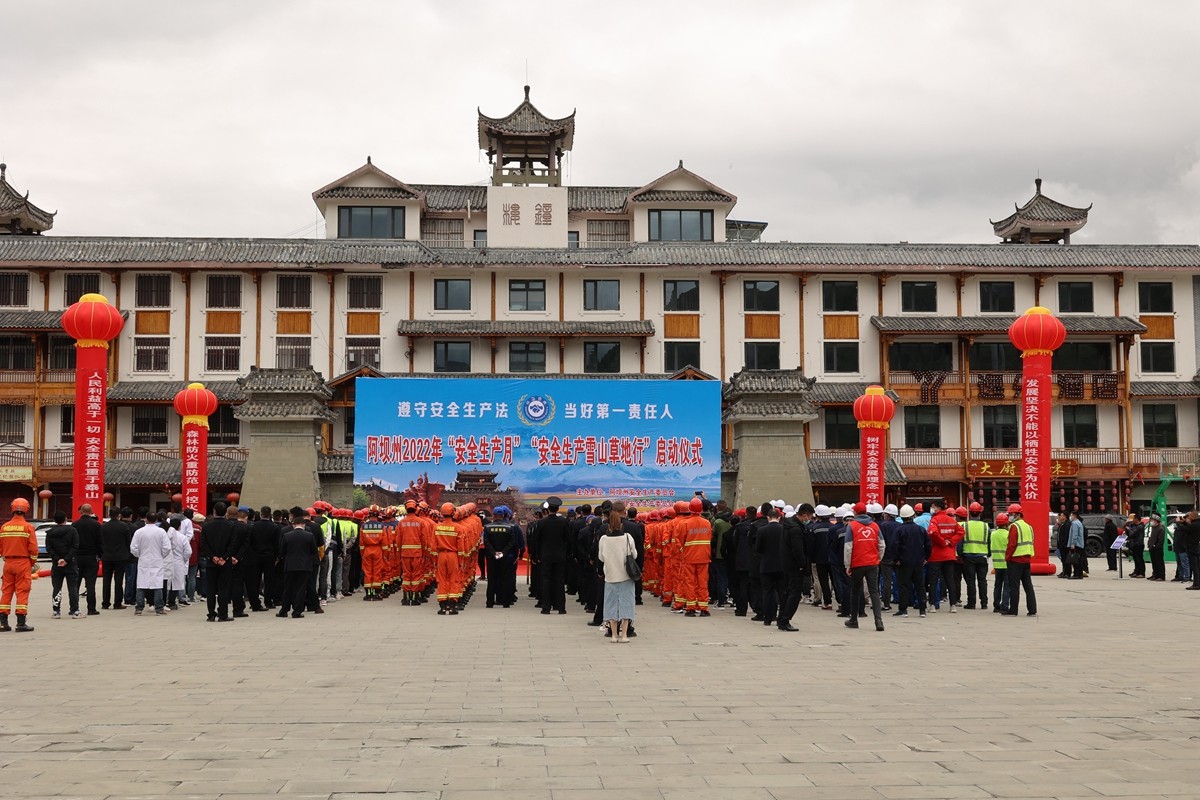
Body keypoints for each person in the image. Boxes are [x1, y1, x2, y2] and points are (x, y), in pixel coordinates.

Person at [596, 501, 637, 642]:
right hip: (626, 576)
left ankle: (613, 635)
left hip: (610, 576)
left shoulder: (603, 539)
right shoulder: (627, 537)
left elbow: (600, 557)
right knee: (626, 604)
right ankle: (624, 635)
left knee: (611, 604)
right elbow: (635, 555)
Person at [844, 502, 885, 631]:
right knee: (874, 592)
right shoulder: (875, 526)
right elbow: (882, 545)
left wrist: (847, 564)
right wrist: (878, 558)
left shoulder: (852, 526)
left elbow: (848, 547)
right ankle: (878, 621)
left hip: (857, 563)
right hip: (872, 563)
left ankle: (853, 619)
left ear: (855, 513)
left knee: (855, 591)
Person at [0, 497, 39, 632]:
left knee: (6, 591)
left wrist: (6, 558)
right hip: (23, 562)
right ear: (26, 509)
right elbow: (33, 549)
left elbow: (0, 548)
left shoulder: (4, 527)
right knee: (22, 591)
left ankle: (3, 623)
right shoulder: (28, 527)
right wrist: (31, 563)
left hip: (8, 563)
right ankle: (21, 623)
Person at [199, 501, 238, 621]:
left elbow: (203, 545)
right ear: (225, 512)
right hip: (225, 563)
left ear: (214, 512)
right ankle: (223, 614)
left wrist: (212, 557)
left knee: (211, 589)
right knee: (223, 589)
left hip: (211, 562)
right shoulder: (231, 526)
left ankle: (211, 614)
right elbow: (233, 544)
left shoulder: (206, 526)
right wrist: (225, 557)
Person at [277, 510, 318, 618]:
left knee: (287, 588)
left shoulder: (287, 535)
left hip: (289, 565)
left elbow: (282, 551)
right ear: (303, 524)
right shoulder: (309, 535)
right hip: (304, 566)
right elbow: (314, 551)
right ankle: (297, 611)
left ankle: (284, 610)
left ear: (293, 524)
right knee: (301, 588)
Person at [891, 504, 928, 618]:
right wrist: (926, 558)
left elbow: (894, 546)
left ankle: (903, 610)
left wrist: (896, 559)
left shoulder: (899, 530)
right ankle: (922, 610)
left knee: (903, 586)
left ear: (901, 517)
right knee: (920, 586)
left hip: (903, 562)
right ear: (912, 515)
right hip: (918, 562)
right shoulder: (921, 529)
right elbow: (928, 545)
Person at [129, 515, 171, 615]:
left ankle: (139, 608)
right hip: (157, 560)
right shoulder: (161, 532)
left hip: (143, 560)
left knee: (141, 584)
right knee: (157, 585)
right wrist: (161, 555)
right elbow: (167, 547)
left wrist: (140, 555)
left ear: (146, 519)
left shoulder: (139, 532)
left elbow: (133, 548)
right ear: (156, 520)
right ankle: (159, 608)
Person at [755, 503, 787, 627]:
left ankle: (768, 618)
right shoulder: (784, 529)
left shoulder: (761, 530)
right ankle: (782, 616)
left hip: (766, 565)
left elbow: (758, 548)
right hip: (781, 565)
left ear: (768, 518)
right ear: (779, 517)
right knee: (782, 592)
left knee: (767, 592)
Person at [926, 500, 962, 612]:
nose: (932, 509)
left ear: (938, 507)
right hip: (949, 554)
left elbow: (932, 533)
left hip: (936, 554)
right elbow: (961, 532)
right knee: (950, 580)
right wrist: (950, 542)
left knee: (933, 580)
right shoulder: (951, 520)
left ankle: (932, 605)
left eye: (933, 507)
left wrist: (942, 542)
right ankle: (953, 605)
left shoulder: (935, 520)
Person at [537, 496, 571, 615]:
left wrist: (538, 554)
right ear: (557, 509)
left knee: (546, 581)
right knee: (559, 581)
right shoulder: (564, 522)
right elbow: (568, 539)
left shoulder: (542, 522)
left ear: (548, 509)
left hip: (546, 555)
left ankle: (546, 607)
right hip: (560, 555)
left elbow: (538, 540)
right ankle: (561, 607)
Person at [1002, 504, 1037, 617]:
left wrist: (1007, 557)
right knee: (1028, 586)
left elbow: (1011, 545)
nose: (1009, 517)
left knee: (1014, 586)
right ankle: (1032, 610)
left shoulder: (1014, 527)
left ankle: (1013, 610)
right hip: (1026, 560)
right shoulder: (1029, 526)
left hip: (1015, 560)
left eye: (1011, 514)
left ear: (1017, 515)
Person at [45, 511, 81, 619]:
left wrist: (57, 559)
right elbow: (75, 546)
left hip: (56, 564)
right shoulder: (72, 531)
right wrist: (66, 559)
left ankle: (56, 611)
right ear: (65, 518)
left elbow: (49, 548)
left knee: (57, 588)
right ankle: (75, 611)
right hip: (70, 563)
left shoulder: (50, 533)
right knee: (72, 588)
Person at [73, 503, 103, 616]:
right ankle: (91, 608)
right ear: (91, 512)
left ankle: (74, 607)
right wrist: (100, 555)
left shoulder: (75, 525)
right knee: (90, 584)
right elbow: (100, 542)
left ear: (80, 511)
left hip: (78, 557)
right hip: (91, 557)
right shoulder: (96, 525)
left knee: (75, 584)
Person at [99, 507, 131, 610]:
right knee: (119, 580)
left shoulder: (103, 527)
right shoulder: (124, 526)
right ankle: (117, 603)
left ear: (109, 514)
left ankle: (105, 603)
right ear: (119, 515)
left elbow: (100, 542)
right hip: (120, 557)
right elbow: (128, 542)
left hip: (107, 556)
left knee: (106, 580)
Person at [959, 502, 990, 609]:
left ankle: (971, 603)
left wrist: (960, 555)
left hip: (968, 557)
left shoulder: (964, 525)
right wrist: (988, 554)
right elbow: (989, 542)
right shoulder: (986, 526)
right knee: (982, 581)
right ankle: (984, 603)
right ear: (980, 513)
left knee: (970, 581)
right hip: (982, 557)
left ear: (970, 513)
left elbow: (960, 543)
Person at [989, 512, 1011, 614]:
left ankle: (996, 605)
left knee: (997, 585)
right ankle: (1005, 605)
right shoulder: (1008, 534)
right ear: (1006, 524)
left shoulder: (993, 534)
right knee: (1007, 586)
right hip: (1007, 564)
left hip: (997, 565)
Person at [1146, 513, 1167, 581]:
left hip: (1158, 549)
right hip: (1152, 548)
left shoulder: (1160, 529)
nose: (1151, 521)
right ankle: (1155, 574)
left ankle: (1161, 576)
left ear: (1156, 520)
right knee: (1154, 562)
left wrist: (1156, 546)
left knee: (1159, 562)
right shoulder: (1153, 528)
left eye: (1152, 520)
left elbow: (1160, 540)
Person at [1125, 513, 1145, 577]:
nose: (1133, 520)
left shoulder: (1140, 526)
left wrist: (1129, 529)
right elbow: (1129, 535)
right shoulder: (1134, 526)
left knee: (1139, 559)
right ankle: (1136, 571)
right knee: (1136, 559)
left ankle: (1141, 572)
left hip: (1138, 544)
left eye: (1134, 519)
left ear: (1136, 519)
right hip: (1134, 544)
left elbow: (1132, 534)